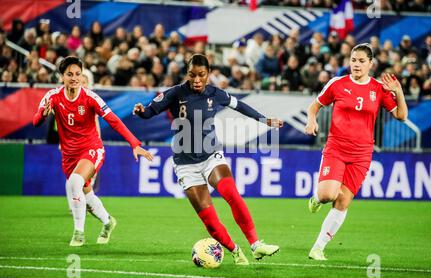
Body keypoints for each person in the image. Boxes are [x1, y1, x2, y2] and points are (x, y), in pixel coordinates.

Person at [133, 54, 283, 265]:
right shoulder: (175, 93)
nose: (196, 79)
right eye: (192, 75)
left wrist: (265, 120)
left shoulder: (216, 93)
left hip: (211, 155)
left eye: (201, 75)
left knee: (232, 193)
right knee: (209, 220)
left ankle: (256, 244)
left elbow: (240, 106)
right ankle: (235, 250)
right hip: (186, 165)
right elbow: (151, 110)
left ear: (208, 74)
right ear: (187, 73)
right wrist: (141, 111)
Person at [33, 56, 153, 247]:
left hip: (92, 149)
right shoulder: (52, 96)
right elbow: (35, 121)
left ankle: (78, 233)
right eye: (69, 74)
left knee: (74, 182)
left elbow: (114, 120)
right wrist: (42, 115)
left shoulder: (90, 97)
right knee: (87, 197)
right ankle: (108, 222)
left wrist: (134, 143)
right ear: (61, 76)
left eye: (78, 74)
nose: (74, 78)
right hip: (69, 156)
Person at [304, 43, 408, 260]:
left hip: (361, 154)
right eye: (353, 60)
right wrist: (311, 121)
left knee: (342, 202)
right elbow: (314, 106)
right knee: (327, 195)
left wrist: (398, 91)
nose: (356, 64)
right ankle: (316, 198)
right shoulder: (338, 84)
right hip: (336, 148)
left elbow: (401, 115)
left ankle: (318, 248)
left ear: (371, 63)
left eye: (361, 61)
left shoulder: (378, 89)